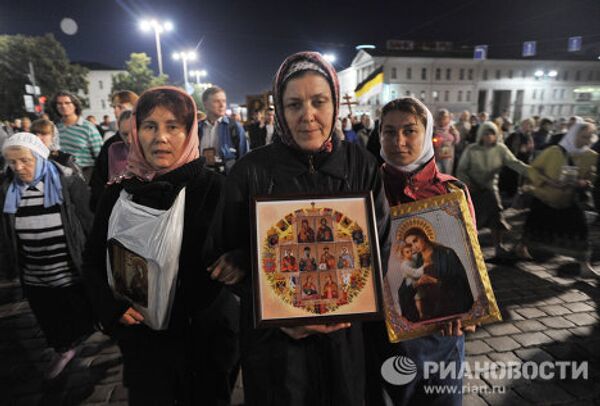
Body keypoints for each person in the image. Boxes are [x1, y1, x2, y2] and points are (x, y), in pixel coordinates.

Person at [209, 51, 390, 405]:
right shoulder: (250, 172)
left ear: (335, 104)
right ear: (280, 109)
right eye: (294, 104)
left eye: (318, 102)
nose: (308, 116)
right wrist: (260, 282)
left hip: (346, 338)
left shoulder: (362, 165)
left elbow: (380, 246)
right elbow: (220, 253)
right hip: (276, 346)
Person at [82, 87, 238, 405]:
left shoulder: (216, 190)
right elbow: (93, 260)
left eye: (172, 126)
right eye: (150, 126)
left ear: (188, 130)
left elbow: (247, 249)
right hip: (145, 345)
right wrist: (110, 309)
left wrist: (240, 258)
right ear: (136, 132)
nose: (160, 137)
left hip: (205, 344)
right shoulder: (118, 193)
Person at [367, 97, 476, 406]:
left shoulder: (451, 191)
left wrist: (467, 309)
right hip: (381, 335)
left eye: (409, 131)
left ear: (426, 132)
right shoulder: (367, 189)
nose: (398, 141)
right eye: (388, 132)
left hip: (440, 332)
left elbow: (469, 262)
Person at [0, 133, 95, 379]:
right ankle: (63, 349)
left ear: (40, 156)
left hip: (69, 270)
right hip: (34, 273)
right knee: (48, 316)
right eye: (12, 162)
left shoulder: (68, 182)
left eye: (25, 160)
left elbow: (88, 221)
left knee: (82, 315)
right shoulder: (7, 189)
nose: (18, 167)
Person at [518, 122, 598, 275]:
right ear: (574, 135)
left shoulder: (591, 156)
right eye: (583, 136)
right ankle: (521, 248)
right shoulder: (554, 151)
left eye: (589, 137)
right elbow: (532, 169)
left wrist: (585, 182)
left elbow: (591, 177)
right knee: (534, 226)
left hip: (569, 199)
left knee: (580, 230)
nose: (587, 140)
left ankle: (584, 266)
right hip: (545, 197)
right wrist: (548, 181)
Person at [456, 121, 530, 257]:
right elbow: (461, 170)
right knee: (471, 218)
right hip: (472, 189)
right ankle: (467, 249)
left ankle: (498, 247)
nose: (489, 136)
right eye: (486, 133)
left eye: (492, 133)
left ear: (497, 135)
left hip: (490, 188)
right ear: (481, 135)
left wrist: (532, 172)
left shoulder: (501, 149)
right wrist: (468, 184)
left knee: (496, 215)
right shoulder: (471, 149)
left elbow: (515, 163)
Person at [398, 228, 473, 323]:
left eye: (415, 241)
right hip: (427, 308)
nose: (414, 246)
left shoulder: (446, 254)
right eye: (410, 245)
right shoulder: (415, 261)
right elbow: (403, 290)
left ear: (424, 236)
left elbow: (460, 283)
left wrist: (435, 282)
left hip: (448, 307)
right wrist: (417, 283)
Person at [52, 91, 103, 183]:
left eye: (67, 103)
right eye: (59, 103)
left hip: (86, 176)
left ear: (75, 105)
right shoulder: (55, 128)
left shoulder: (88, 127)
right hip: (61, 177)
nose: (63, 106)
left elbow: (100, 156)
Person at [89, 109, 135, 211]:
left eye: (133, 133)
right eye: (125, 134)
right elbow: (99, 180)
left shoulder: (154, 150)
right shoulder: (112, 148)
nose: (129, 140)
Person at [199, 86, 249, 172]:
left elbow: (244, 157)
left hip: (226, 177)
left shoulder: (234, 127)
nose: (222, 105)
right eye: (216, 101)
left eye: (224, 101)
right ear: (205, 104)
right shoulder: (197, 128)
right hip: (202, 178)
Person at [499, 118, 535, 199]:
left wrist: (527, 150)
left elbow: (530, 150)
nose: (527, 127)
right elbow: (506, 148)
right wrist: (520, 150)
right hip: (512, 163)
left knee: (518, 184)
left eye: (530, 125)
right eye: (526, 124)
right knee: (509, 182)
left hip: (523, 163)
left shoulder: (530, 137)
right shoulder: (514, 135)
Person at [432, 109, 460, 174]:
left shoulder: (451, 129)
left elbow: (457, 141)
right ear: (436, 119)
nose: (442, 120)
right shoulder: (432, 129)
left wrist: (455, 134)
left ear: (449, 119)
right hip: (435, 157)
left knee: (447, 174)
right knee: (437, 174)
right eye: (440, 118)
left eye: (444, 118)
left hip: (448, 158)